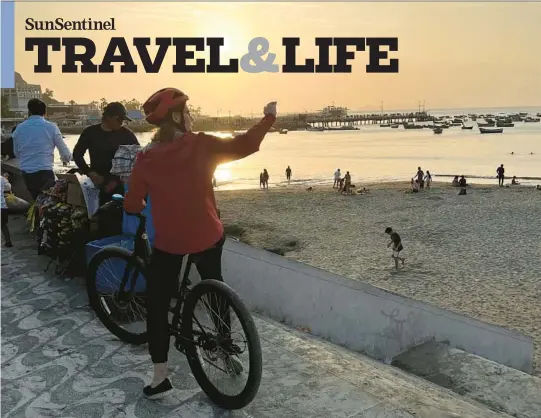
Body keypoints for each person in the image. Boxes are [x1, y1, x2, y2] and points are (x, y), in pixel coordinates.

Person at [123, 87, 277, 399]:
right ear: (178, 117)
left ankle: (160, 376)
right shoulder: (202, 144)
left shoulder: (145, 158)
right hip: (208, 234)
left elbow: (133, 203)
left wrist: (135, 206)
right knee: (213, 283)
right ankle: (225, 343)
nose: (192, 117)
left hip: (170, 242)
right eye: (188, 112)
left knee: (157, 304)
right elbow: (246, 144)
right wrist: (268, 117)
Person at [73, 102, 139, 206]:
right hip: (96, 181)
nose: (122, 122)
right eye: (119, 119)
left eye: (123, 120)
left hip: (120, 184)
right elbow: (77, 154)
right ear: (108, 117)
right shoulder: (90, 132)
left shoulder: (127, 134)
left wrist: (116, 181)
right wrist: (90, 172)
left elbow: (137, 159)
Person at [12, 99, 72, 200]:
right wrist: (67, 159)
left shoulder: (19, 128)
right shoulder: (51, 127)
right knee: (48, 202)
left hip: (27, 173)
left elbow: (16, 153)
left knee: (36, 200)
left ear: (29, 112)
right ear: (45, 112)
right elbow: (65, 153)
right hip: (45, 173)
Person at [1, 173, 13, 247]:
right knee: (3, 225)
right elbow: (8, 187)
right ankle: (8, 242)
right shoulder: (2, 179)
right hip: (2, 206)